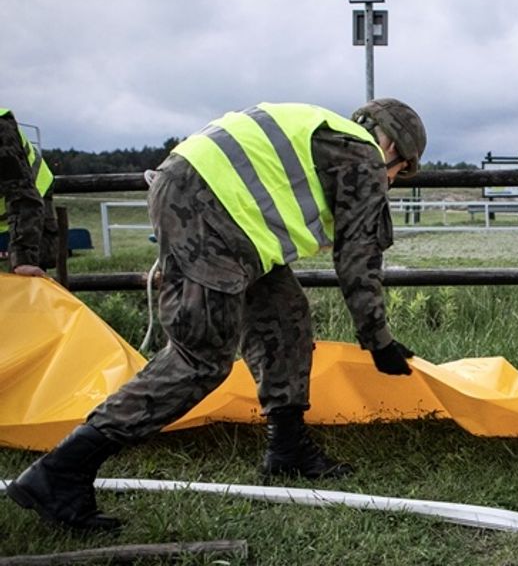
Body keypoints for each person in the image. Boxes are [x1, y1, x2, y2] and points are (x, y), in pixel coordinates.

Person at [7, 99, 427, 531]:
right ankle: (62, 471)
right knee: (200, 359)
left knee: (285, 316)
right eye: (402, 171)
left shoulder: (326, 130)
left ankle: (287, 449)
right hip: (209, 212)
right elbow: (358, 258)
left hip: (215, 207)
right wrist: (378, 341)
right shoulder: (363, 156)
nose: (392, 181)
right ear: (392, 144)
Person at [0, 108, 57, 276]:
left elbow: (22, 196)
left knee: (28, 278)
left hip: (31, 205)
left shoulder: (2, 130)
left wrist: (23, 259)